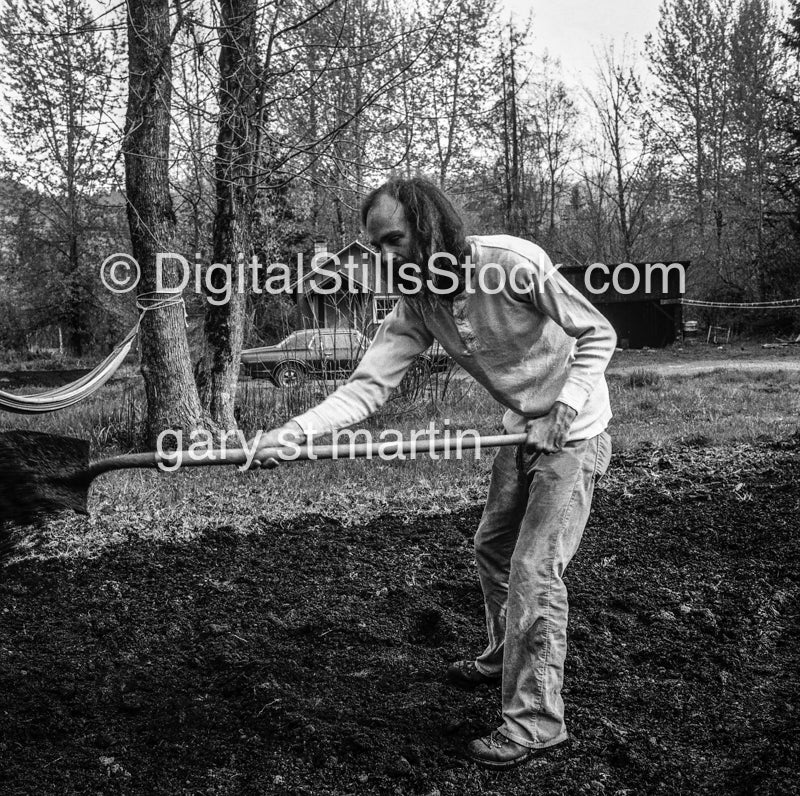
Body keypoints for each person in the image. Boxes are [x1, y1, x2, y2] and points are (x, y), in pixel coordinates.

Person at [250, 177, 616, 769]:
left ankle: (536, 721)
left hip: (573, 434)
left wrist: (566, 408)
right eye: (377, 247)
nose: (386, 256)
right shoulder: (418, 303)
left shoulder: (511, 263)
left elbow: (597, 331)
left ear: (431, 227)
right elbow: (367, 386)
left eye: (394, 239)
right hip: (520, 427)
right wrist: (291, 435)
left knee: (534, 571)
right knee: (494, 548)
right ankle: (504, 653)